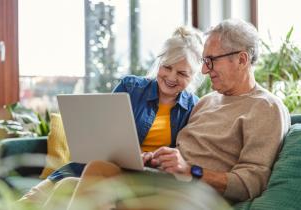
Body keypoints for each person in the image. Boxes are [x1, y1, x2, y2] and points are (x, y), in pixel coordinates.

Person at [52, 18, 291, 209]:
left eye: (210, 61)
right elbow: (184, 151)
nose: (205, 71)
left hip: (196, 195)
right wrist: (156, 158)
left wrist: (191, 171)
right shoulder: (207, 102)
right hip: (165, 180)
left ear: (241, 59)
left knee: (95, 178)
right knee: (83, 178)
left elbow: (251, 182)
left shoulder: (266, 108)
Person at [19, 25, 204, 205]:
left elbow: (184, 159)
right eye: (167, 67)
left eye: (181, 73)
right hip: (93, 167)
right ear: (159, 63)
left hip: (139, 178)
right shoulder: (131, 87)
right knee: (29, 202)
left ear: (193, 76)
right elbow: (103, 136)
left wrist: (153, 159)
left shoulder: (194, 107)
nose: (171, 77)